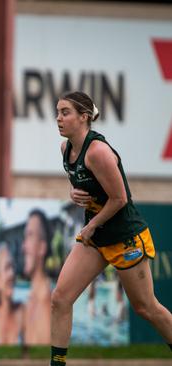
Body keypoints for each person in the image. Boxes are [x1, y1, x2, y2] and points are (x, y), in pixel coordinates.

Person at [50, 91, 172, 366]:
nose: (58, 118)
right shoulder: (65, 149)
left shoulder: (99, 152)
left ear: (84, 118)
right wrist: (73, 193)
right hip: (97, 236)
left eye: (65, 112)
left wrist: (91, 224)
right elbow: (83, 185)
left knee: (146, 307)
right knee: (60, 298)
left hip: (125, 236)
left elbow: (120, 199)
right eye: (57, 112)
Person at [21, 208, 52, 345]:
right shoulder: (31, 300)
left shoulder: (46, 306)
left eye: (30, 236)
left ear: (41, 248)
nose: (23, 247)